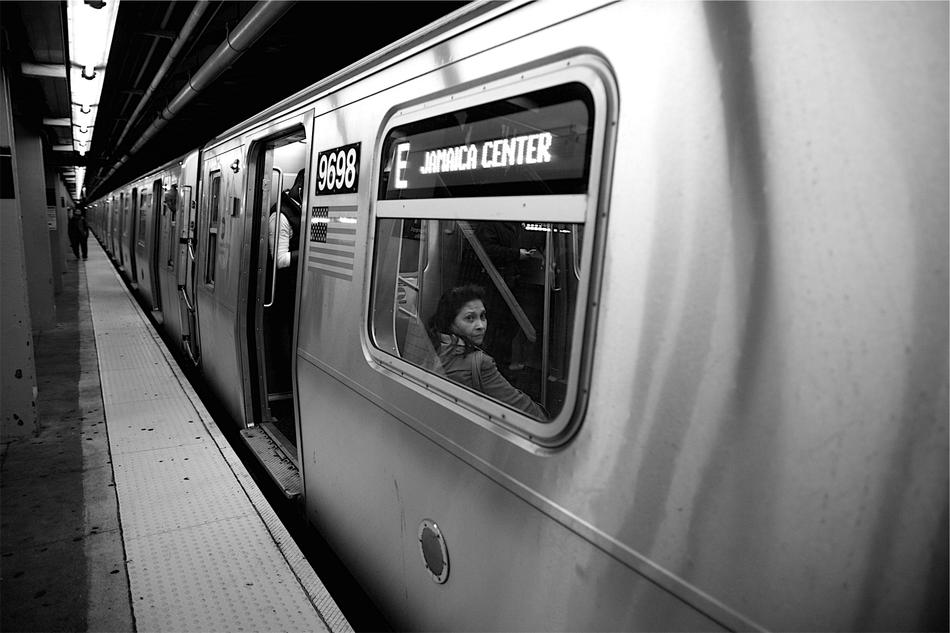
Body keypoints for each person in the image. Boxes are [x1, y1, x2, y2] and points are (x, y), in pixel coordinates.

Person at [426, 284, 546, 420]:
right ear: (450, 322)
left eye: (482, 316)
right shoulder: (480, 363)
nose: (480, 326)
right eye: (469, 318)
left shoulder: (433, 344)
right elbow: (524, 410)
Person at [265, 169, 304, 391]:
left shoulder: (300, 209)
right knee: (286, 338)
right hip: (283, 291)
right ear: (300, 188)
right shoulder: (280, 215)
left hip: (298, 289)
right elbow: (279, 259)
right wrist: (307, 251)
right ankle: (286, 385)